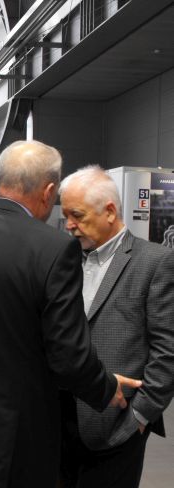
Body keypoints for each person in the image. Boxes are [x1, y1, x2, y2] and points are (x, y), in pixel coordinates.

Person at [0, 140, 141, 488]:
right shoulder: (54, 249)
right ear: (48, 191)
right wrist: (107, 388)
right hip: (14, 445)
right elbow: (68, 354)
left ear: (0, 180)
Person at [58, 166, 174, 488]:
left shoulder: (155, 262)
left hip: (116, 426)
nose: (69, 225)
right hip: (58, 424)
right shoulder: (64, 259)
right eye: (66, 215)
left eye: (77, 215)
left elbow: (168, 351)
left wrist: (140, 416)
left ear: (109, 211)